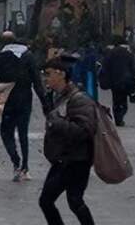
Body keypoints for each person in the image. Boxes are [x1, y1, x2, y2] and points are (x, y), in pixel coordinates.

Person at [38, 57, 98, 225]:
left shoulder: (78, 99)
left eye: (48, 74)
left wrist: (56, 122)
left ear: (61, 74)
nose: (45, 78)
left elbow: (84, 130)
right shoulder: (60, 96)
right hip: (66, 158)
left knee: (49, 200)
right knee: (74, 201)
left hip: (74, 160)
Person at [0, 30, 48, 182]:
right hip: (24, 100)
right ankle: (25, 167)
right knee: (23, 133)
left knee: (6, 132)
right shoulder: (28, 56)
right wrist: (45, 103)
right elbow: (37, 82)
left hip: (6, 101)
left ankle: (15, 161)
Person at [99, 34, 135, 127]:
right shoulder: (128, 53)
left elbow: (105, 66)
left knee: (116, 99)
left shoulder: (111, 53)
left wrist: (105, 78)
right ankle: (121, 115)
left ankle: (118, 117)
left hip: (114, 81)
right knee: (123, 99)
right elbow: (133, 66)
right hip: (126, 80)